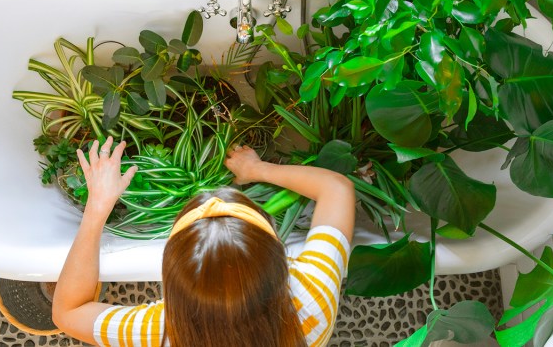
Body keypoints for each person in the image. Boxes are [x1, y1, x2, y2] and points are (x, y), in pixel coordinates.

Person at [52, 136, 356, 347]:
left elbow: (68, 312)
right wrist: (257, 169)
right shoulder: (313, 300)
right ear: (278, 257)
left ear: (170, 282)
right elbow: (337, 189)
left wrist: (97, 206)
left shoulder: (157, 332)